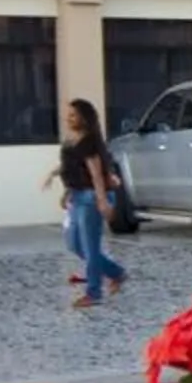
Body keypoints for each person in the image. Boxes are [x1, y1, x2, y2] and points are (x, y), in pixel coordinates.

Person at [57, 98, 127, 309]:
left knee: (90, 246)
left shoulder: (89, 142)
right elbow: (72, 170)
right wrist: (67, 192)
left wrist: (102, 200)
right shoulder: (72, 141)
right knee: (74, 244)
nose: (68, 119)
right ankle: (116, 272)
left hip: (90, 198)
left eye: (73, 115)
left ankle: (94, 292)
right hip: (78, 196)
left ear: (84, 118)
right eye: (68, 114)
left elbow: (96, 174)